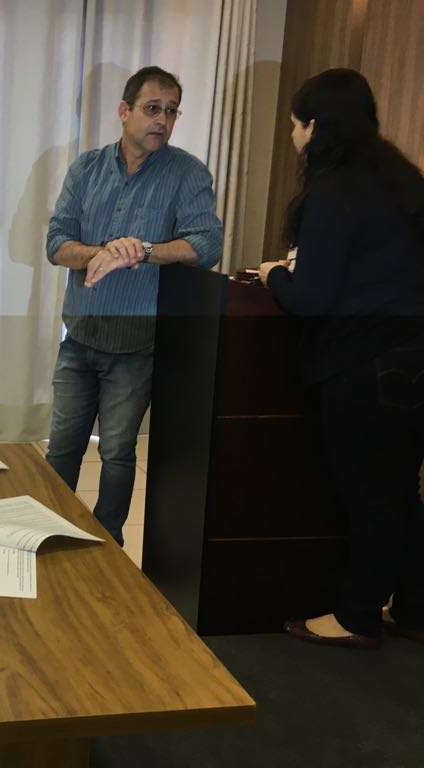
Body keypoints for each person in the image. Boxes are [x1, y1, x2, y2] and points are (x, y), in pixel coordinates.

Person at [258, 68, 424, 650]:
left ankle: (357, 617)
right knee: (401, 492)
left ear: (314, 126)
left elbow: (311, 296)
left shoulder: (334, 190)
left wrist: (274, 275)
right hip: (414, 356)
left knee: (369, 497)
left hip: (367, 364)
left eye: (294, 125)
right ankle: (415, 609)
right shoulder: (401, 179)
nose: (293, 137)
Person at [45, 66, 223, 545]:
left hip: (137, 345)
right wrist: (100, 254)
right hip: (80, 338)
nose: (162, 120)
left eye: (171, 111)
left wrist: (143, 251)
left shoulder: (187, 173)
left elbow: (207, 244)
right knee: (61, 450)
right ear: (124, 111)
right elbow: (56, 242)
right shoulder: (86, 168)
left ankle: (107, 545)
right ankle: (46, 533)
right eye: (152, 108)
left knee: (118, 454)